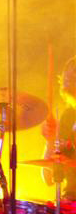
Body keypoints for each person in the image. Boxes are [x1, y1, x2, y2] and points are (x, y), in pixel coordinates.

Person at [42, 56, 76, 197]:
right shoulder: (68, 116)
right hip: (70, 202)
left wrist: (70, 163)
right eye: (67, 71)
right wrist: (50, 140)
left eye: (74, 71)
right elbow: (48, 179)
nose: (68, 74)